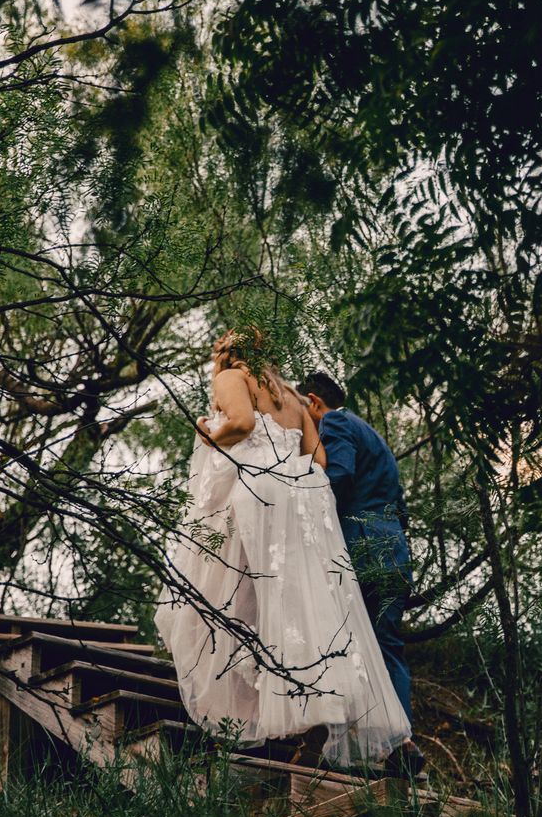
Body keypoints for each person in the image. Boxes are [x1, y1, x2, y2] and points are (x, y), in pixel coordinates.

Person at [154, 329, 414, 771]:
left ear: (229, 353)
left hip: (257, 497)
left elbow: (241, 424)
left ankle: (263, 709)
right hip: (303, 504)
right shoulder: (292, 397)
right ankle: (321, 714)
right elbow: (320, 461)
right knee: (307, 611)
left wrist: (204, 435)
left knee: (238, 599)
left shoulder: (233, 377)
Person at [298, 370, 421, 775]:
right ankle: (401, 742)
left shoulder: (334, 421)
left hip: (362, 545)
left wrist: (307, 514)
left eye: (304, 413)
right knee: (387, 645)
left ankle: (352, 743)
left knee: (349, 643)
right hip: (394, 550)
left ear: (315, 403)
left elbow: (341, 475)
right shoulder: (375, 437)